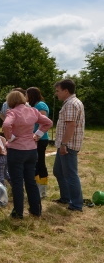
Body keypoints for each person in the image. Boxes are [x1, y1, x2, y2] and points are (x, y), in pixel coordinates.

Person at [3, 90, 52, 219]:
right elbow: (48, 122)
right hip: (31, 150)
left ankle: (18, 212)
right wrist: (38, 135)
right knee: (30, 181)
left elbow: (6, 124)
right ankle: (36, 210)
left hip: (16, 151)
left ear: (10, 101)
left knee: (17, 182)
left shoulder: (12, 112)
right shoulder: (33, 111)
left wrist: (10, 137)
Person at [53, 79, 85, 212]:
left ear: (66, 91)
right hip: (65, 144)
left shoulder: (71, 104)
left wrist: (64, 144)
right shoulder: (70, 103)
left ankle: (76, 205)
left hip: (68, 146)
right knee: (58, 171)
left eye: (58, 91)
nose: (56, 94)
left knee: (71, 175)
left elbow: (71, 125)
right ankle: (66, 197)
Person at [26, 87, 51, 198]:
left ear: (31, 95)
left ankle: (42, 190)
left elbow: (43, 122)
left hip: (40, 139)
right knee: (34, 163)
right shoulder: (33, 106)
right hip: (33, 139)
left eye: (26, 95)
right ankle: (35, 187)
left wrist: (37, 135)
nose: (25, 98)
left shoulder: (41, 105)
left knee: (40, 163)